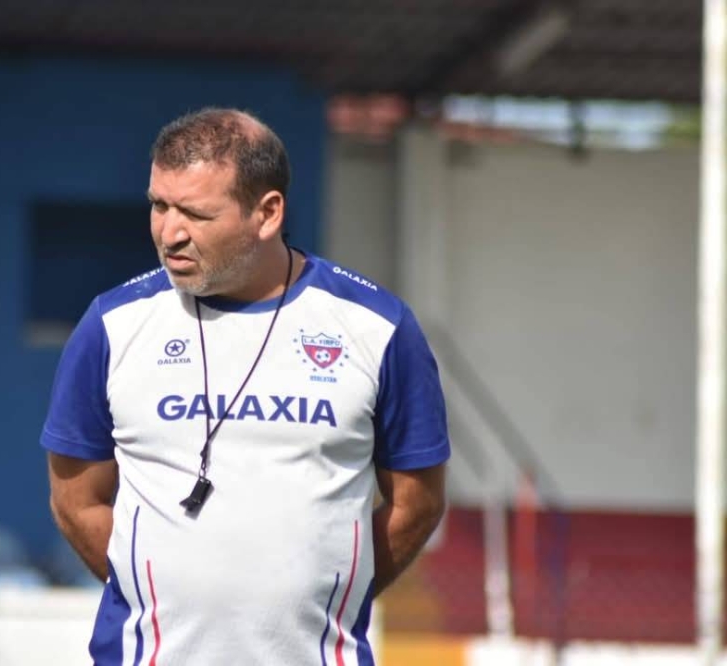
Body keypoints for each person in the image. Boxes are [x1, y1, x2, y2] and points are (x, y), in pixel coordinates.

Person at [41, 107, 450, 665]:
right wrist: (159, 599)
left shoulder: (378, 328)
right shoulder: (111, 325)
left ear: (268, 213)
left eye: (196, 213)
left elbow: (417, 502)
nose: (170, 233)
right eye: (159, 205)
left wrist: (326, 598)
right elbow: (76, 501)